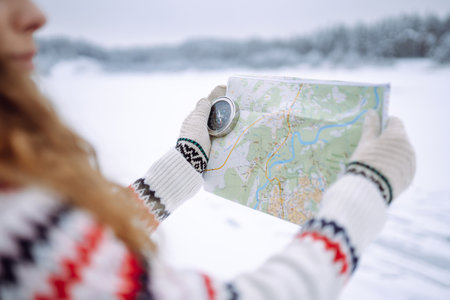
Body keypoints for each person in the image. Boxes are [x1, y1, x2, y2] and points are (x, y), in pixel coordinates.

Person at [0, 0, 416, 299]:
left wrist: (186, 162)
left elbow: (82, 240)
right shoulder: (13, 229)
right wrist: (364, 189)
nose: (35, 14)